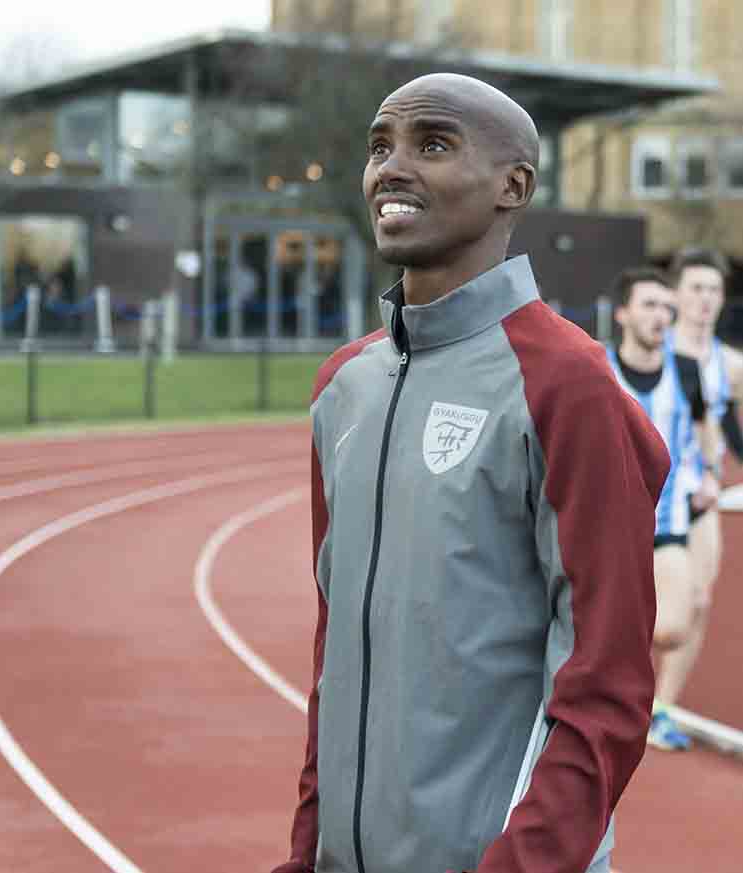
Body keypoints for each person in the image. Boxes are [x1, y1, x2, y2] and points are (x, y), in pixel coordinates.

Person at [271, 73, 669, 873]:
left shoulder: (567, 383)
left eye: (434, 144)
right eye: (381, 145)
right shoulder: (343, 388)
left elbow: (607, 681)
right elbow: (335, 657)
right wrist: (306, 849)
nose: (392, 166)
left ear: (510, 185)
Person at [606, 267, 720, 751]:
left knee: (672, 625)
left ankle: (651, 704)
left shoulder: (687, 371)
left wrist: (709, 471)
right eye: (649, 305)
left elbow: (701, 427)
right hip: (608, 526)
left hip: (667, 518)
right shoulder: (597, 369)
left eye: (664, 308)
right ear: (623, 314)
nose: (660, 316)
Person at [655, 248, 743, 747]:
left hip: (697, 496)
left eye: (714, 290)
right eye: (696, 289)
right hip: (645, 492)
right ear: (675, 295)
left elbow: (729, 429)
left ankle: (660, 707)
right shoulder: (651, 344)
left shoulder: (730, 365)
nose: (705, 300)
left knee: (699, 601)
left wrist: (712, 471)